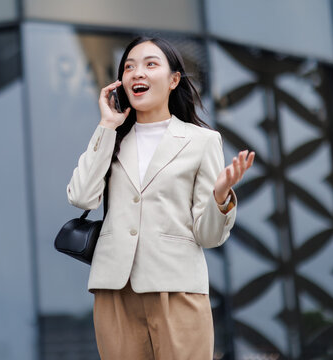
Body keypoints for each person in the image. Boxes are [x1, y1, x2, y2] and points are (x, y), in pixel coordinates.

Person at [66, 36, 255, 360]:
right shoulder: (111, 138)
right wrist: (106, 126)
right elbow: (82, 198)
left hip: (177, 288)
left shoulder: (202, 141)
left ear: (174, 79)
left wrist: (220, 195)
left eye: (150, 64)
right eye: (129, 67)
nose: (137, 73)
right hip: (114, 289)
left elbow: (207, 235)